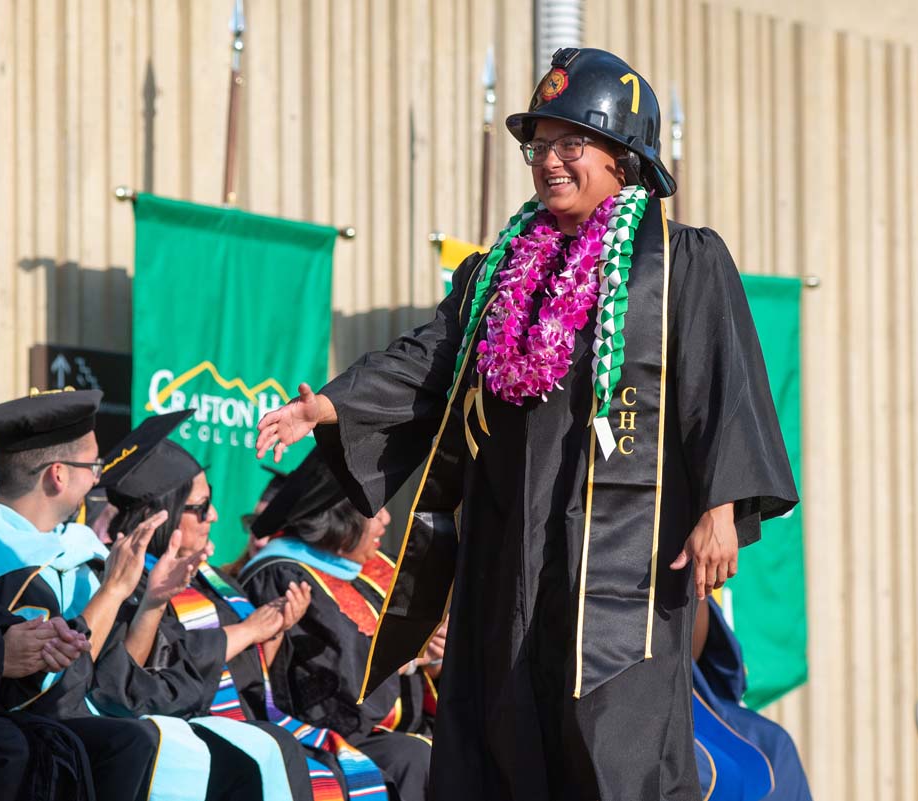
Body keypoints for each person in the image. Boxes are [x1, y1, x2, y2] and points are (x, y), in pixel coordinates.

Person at [256, 47, 798, 800]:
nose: (550, 161)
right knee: (503, 739)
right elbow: (433, 359)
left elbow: (724, 383)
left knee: (614, 748)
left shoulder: (678, 264)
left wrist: (721, 506)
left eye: (572, 142)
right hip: (508, 551)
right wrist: (331, 403)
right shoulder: (498, 273)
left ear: (623, 156)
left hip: (622, 569)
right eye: (539, 145)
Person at [94, 410, 389, 801]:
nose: (213, 515)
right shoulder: (118, 580)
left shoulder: (211, 580)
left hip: (243, 722)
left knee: (369, 761)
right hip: (178, 732)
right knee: (279, 749)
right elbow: (133, 683)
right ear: (160, 515)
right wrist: (244, 629)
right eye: (201, 507)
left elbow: (250, 677)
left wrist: (274, 629)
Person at [0, 386, 167, 799]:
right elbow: (55, 699)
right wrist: (110, 593)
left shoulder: (76, 548)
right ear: (58, 474)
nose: (98, 476)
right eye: (94, 465)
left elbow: (116, 675)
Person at [242, 449, 436, 801]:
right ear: (340, 517)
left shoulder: (371, 569)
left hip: (393, 729)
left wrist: (435, 657)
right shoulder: (285, 576)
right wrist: (405, 660)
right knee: (414, 756)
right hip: (325, 738)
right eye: (375, 511)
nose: (387, 520)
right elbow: (328, 681)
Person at [691, 598, 813, 801]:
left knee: (773, 748)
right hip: (631, 689)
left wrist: (697, 579)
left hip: (679, 685)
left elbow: (689, 647)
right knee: (720, 776)